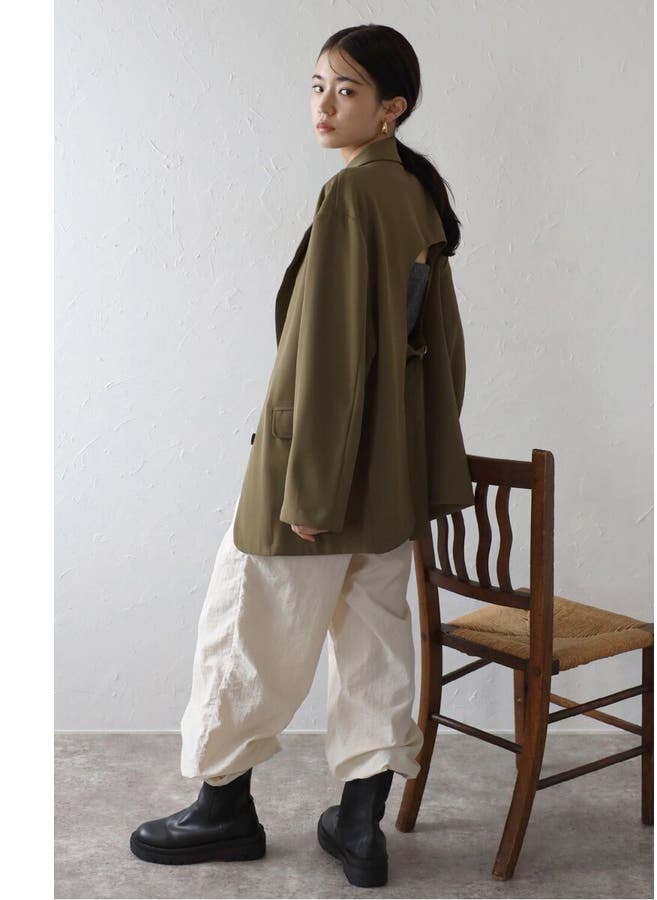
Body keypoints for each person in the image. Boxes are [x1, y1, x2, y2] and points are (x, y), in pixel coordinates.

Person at [129, 24, 473, 889]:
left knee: (248, 626)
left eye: (347, 90)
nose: (325, 104)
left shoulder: (353, 195)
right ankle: (360, 828)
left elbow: (327, 358)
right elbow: (441, 354)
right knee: (376, 640)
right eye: (318, 85)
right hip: (386, 480)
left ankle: (223, 810)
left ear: (391, 109)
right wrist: (412, 464)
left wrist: (310, 489)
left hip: (320, 479)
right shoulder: (414, 195)